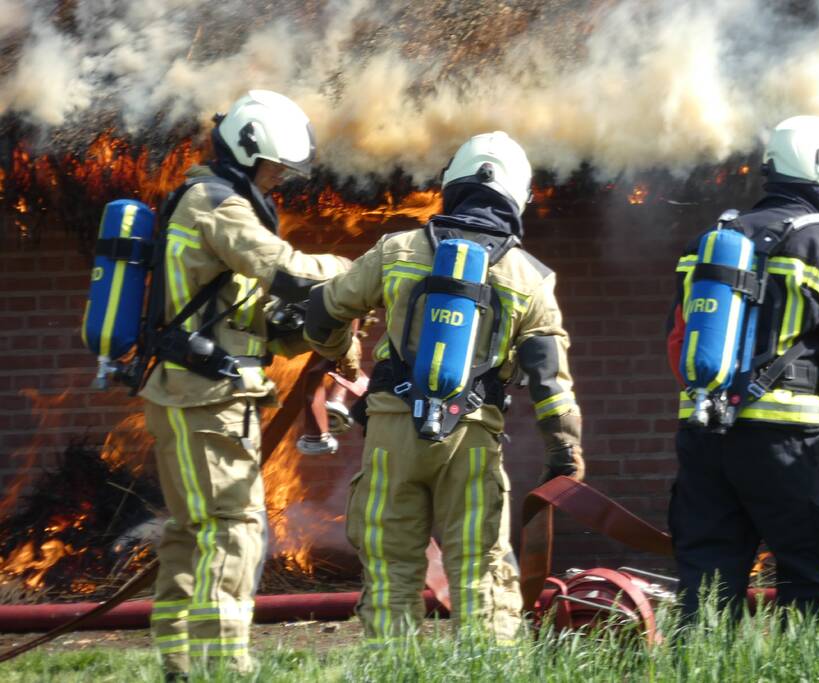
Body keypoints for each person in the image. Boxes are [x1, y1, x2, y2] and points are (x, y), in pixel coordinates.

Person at [303, 131, 584, 644]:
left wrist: (340, 353)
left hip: (391, 435)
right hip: (472, 442)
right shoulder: (530, 277)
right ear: (516, 196)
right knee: (481, 570)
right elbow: (549, 380)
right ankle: (490, 673)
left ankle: (393, 671)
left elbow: (324, 311)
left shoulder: (397, 250)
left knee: (392, 568)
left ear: (453, 186)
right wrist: (564, 450)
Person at [140, 89, 357, 679]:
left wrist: (299, 338)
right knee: (234, 530)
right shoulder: (218, 204)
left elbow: (242, 318)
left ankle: (179, 662)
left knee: (192, 531)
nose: (280, 178)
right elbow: (283, 268)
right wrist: (357, 273)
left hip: (192, 393)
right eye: (274, 166)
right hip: (206, 399)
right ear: (248, 149)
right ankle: (224, 663)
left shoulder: (210, 198)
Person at [665, 115, 819, 623]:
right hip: (786, 444)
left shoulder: (711, 241)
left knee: (708, 572)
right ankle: (803, 668)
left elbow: (677, 345)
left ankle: (702, 672)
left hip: (704, 435)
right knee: (810, 564)